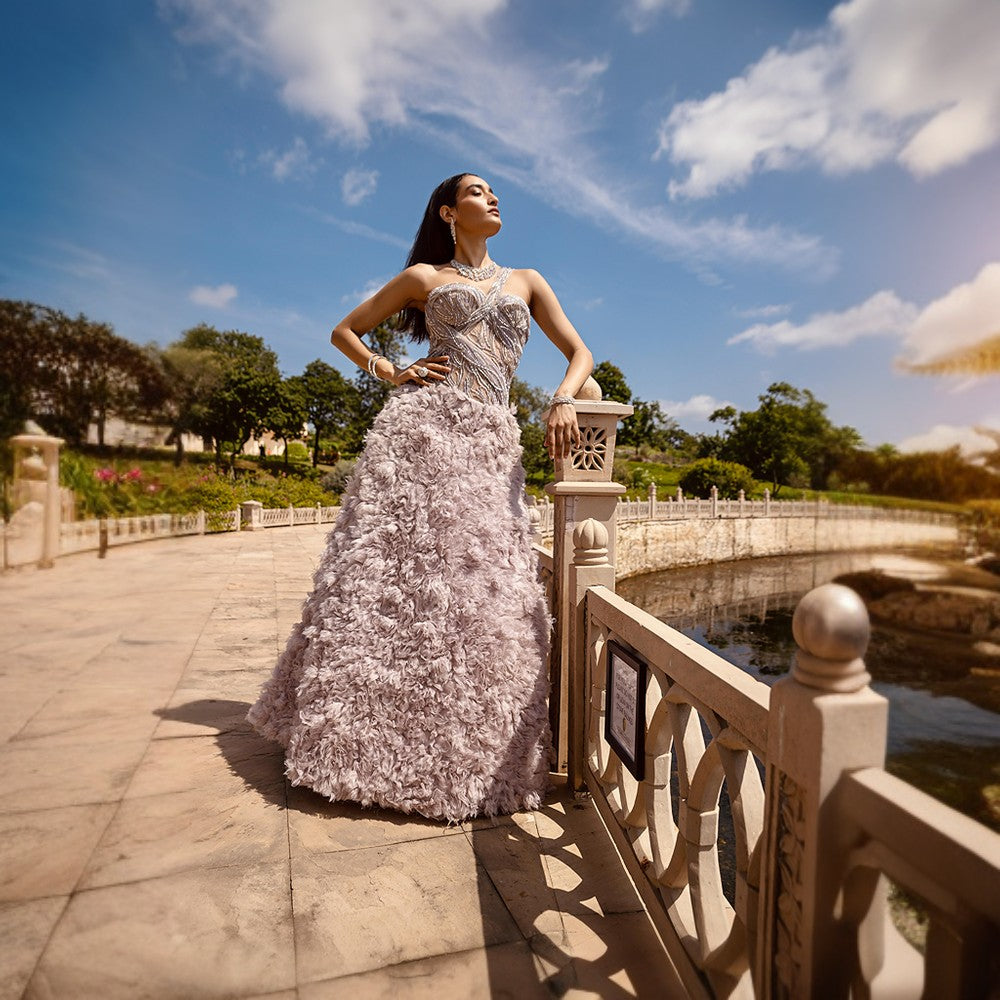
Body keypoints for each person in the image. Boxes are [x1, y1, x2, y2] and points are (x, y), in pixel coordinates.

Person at [247, 173, 594, 822]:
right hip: (420, 434)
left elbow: (579, 352)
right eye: (478, 191)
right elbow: (344, 331)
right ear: (448, 210)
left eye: (495, 193)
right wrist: (390, 371)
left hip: (490, 444)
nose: (493, 199)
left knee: (483, 595)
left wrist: (564, 396)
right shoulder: (424, 279)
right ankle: (359, 749)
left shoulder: (527, 280)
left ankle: (473, 756)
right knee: (398, 593)